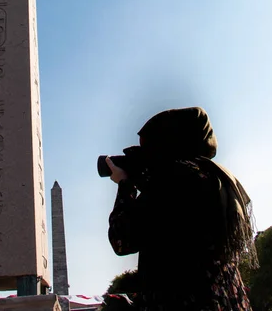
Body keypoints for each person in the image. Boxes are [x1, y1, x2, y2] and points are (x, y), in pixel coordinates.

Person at [106, 107, 258, 311]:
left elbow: (122, 240)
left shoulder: (174, 179)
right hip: (226, 299)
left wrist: (125, 186)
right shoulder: (218, 179)